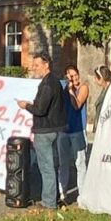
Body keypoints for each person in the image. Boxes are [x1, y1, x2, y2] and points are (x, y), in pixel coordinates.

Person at [17, 52, 66, 209]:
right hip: (53, 128)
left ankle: (48, 202)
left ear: (46, 65)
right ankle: (53, 198)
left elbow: (40, 109)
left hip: (45, 130)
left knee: (46, 167)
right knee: (51, 165)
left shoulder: (47, 84)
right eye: (33, 65)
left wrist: (26, 106)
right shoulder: (55, 82)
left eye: (37, 65)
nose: (34, 68)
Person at [58, 65, 88, 205]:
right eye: (70, 76)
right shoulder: (62, 88)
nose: (74, 78)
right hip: (64, 130)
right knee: (63, 163)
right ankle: (62, 193)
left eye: (75, 75)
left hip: (77, 130)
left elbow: (77, 105)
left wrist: (71, 90)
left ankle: (82, 194)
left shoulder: (83, 87)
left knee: (80, 163)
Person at [86, 65, 111, 137]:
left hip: (106, 128)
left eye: (96, 78)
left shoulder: (110, 90)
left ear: (101, 78)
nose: (94, 80)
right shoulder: (104, 89)